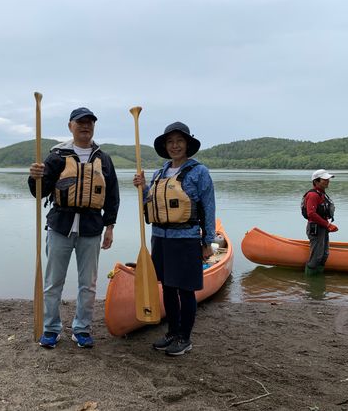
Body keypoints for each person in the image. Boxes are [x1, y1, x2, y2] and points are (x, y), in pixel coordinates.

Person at [28, 107, 120, 349]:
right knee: (53, 282)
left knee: (88, 284)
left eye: (90, 122)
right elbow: (39, 192)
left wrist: (110, 226)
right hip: (60, 225)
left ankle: (82, 329)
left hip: (91, 227)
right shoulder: (57, 156)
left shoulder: (103, 159)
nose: (85, 126)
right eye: (80, 122)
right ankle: (51, 329)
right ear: (70, 126)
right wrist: (34, 177)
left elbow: (112, 196)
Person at [133, 122, 216, 356]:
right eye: (170, 142)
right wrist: (143, 188)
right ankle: (172, 332)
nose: (175, 146)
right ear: (165, 146)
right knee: (168, 288)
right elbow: (150, 204)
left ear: (187, 144)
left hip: (186, 238)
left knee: (185, 290)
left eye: (179, 141)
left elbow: (208, 207)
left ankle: (184, 338)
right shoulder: (159, 173)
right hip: (160, 238)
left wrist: (207, 241)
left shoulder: (199, 172)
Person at [302, 169, 338, 275]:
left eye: (328, 179)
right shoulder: (313, 195)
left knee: (324, 255)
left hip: (323, 227)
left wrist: (327, 226)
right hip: (315, 228)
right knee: (316, 257)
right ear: (316, 181)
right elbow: (311, 214)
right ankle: (311, 282)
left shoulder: (322, 194)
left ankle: (319, 280)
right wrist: (328, 225)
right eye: (325, 179)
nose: (328, 181)